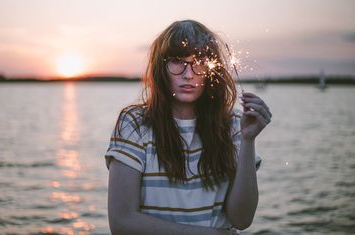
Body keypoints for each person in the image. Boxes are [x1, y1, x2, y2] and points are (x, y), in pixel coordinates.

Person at [105, 19, 272, 235]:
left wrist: (249, 140)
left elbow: (242, 219)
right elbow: (122, 223)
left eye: (200, 61)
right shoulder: (135, 123)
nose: (188, 73)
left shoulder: (233, 125)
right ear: (161, 68)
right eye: (177, 61)